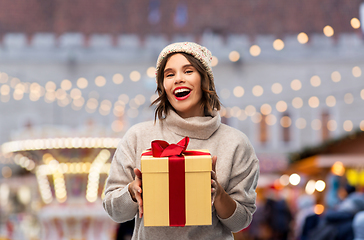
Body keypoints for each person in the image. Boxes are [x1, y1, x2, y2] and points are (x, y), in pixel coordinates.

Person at [103, 42, 260, 240]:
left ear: (205, 80)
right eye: (169, 74)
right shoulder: (137, 136)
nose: (178, 79)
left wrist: (218, 194)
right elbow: (113, 211)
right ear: (163, 87)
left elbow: (241, 221)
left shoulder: (236, 143)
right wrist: (133, 192)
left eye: (188, 71)